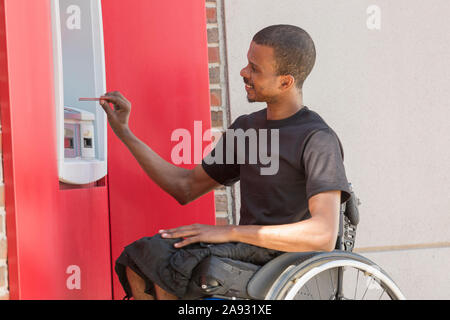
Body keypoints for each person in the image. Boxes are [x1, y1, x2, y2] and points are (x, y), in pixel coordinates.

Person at [99, 25, 351, 300]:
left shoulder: (317, 138)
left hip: (284, 262)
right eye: (247, 63)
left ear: (285, 82)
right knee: (141, 257)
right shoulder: (246, 129)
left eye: (255, 69)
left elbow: (323, 234)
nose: (244, 72)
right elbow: (184, 187)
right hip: (245, 251)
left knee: (171, 266)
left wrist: (230, 231)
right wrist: (125, 133)